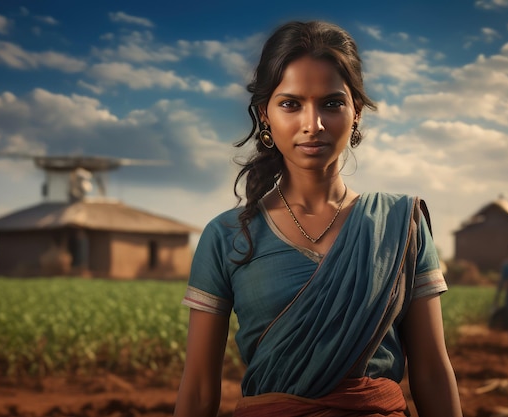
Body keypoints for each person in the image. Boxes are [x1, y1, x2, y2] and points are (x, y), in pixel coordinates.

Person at [174, 20, 462, 417]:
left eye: (332, 103)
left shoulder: (400, 225)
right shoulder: (226, 236)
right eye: (291, 104)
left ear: (356, 112)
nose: (314, 124)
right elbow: (199, 391)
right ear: (265, 115)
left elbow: (431, 372)